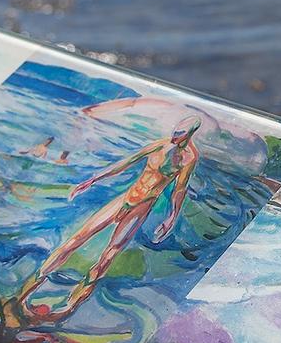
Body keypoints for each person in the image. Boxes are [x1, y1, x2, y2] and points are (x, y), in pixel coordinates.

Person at [14, 117, 202, 321]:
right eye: (174, 132)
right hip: (125, 198)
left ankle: (71, 303)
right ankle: (33, 284)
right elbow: (126, 162)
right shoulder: (160, 145)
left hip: (140, 208)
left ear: (189, 134)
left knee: (108, 256)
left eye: (179, 134)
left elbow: (179, 189)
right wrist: (93, 179)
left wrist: (172, 217)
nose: (174, 136)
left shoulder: (188, 158)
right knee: (77, 239)